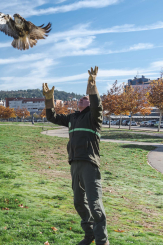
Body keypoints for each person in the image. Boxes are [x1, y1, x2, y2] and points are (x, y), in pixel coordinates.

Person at [42, 66, 109, 245]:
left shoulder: (95, 118)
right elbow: (52, 117)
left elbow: (97, 105)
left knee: (95, 205)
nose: (83, 98)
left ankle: (102, 241)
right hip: (74, 164)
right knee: (79, 202)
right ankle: (89, 235)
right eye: (82, 97)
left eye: (86, 98)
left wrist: (92, 86)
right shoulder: (73, 118)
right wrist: (49, 99)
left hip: (89, 164)